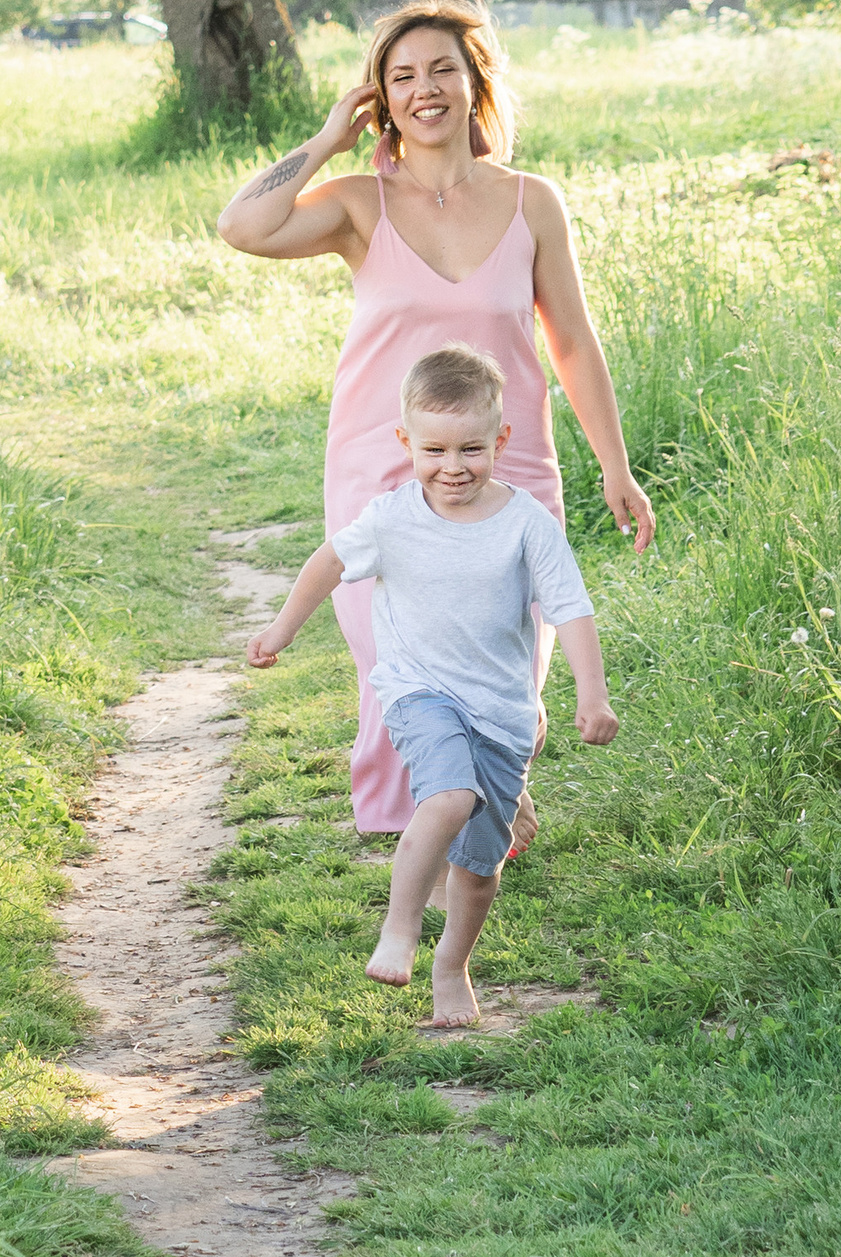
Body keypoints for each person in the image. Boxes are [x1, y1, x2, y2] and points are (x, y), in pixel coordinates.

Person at [215, 0, 653, 843]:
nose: (425, 88)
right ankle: (414, 814)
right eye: (402, 75)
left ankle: (489, 795)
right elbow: (242, 226)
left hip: (508, 460)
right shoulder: (358, 203)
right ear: (382, 96)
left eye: (442, 69)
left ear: (474, 82)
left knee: (504, 658)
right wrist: (326, 139)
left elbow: (572, 342)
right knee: (394, 652)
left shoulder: (532, 203)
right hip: (383, 463)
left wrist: (616, 463)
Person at [243, 344, 618, 1026]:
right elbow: (328, 563)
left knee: (480, 871)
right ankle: (401, 926)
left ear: (501, 439)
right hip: (421, 693)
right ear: (405, 442)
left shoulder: (526, 523)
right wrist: (280, 630)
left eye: (471, 449)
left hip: (502, 714)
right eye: (435, 450)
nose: (453, 467)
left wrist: (591, 694)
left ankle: (454, 966)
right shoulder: (394, 518)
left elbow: (571, 608)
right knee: (448, 796)